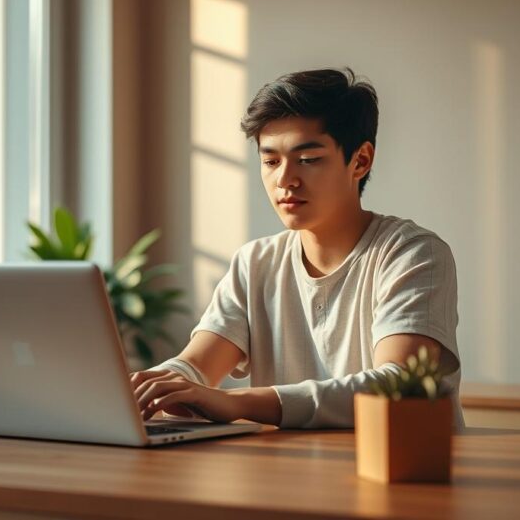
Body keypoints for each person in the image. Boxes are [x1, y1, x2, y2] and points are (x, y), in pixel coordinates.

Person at [129, 68, 464, 429]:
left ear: (361, 160)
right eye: (270, 161)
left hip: (399, 475)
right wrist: (148, 385)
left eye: (307, 160)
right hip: (290, 475)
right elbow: (194, 366)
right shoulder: (255, 263)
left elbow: (396, 387)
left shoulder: (413, 254)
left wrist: (236, 402)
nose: (284, 179)